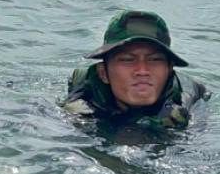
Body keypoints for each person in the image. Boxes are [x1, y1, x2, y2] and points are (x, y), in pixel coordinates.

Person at [62, 10, 209, 129]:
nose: (142, 71)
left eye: (155, 60)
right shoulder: (83, 98)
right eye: (127, 60)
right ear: (103, 73)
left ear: (169, 70)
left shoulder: (187, 100)